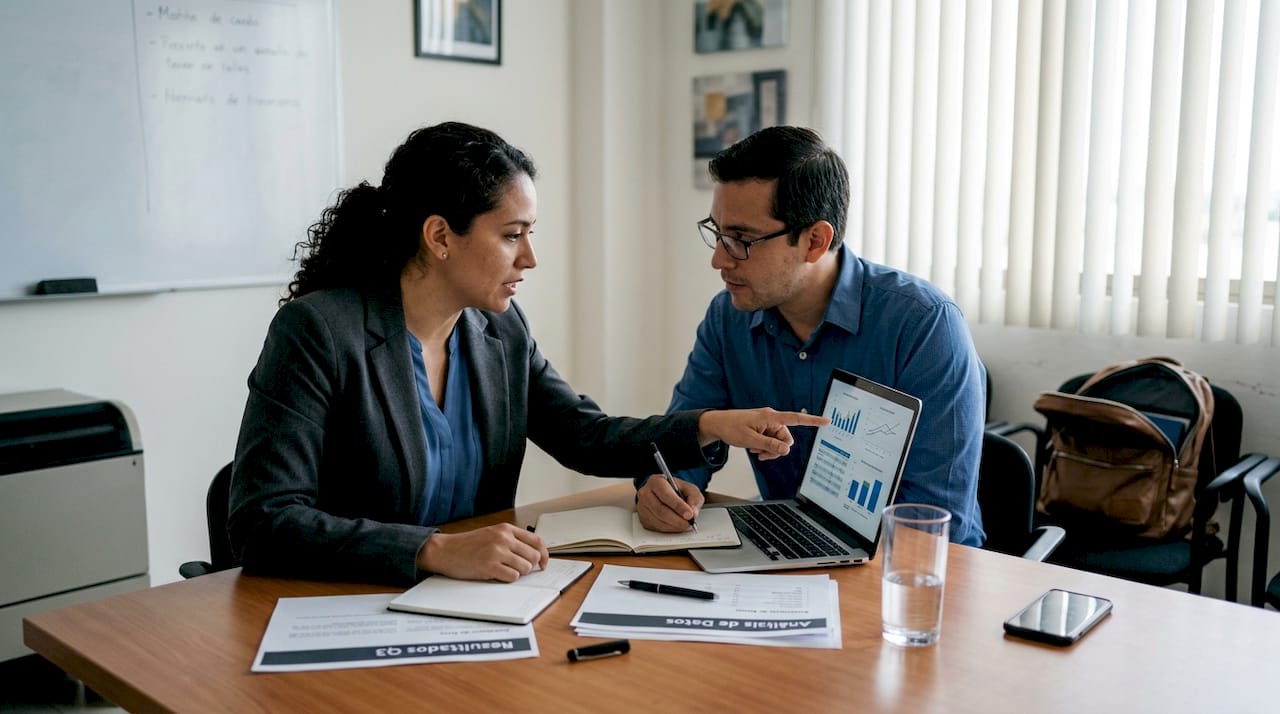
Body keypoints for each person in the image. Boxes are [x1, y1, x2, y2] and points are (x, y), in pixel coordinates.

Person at [227, 122, 826, 587]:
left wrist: (709, 426)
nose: (530, 258)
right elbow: (263, 522)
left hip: (471, 604)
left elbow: (585, 436)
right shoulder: (318, 332)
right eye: (512, 235)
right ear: (440, 237)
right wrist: (432, 550)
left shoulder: (499, 331)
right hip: (344, 601)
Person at [636, 125, 987, 546]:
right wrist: (666, 487)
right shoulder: (727, 319)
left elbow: (936, 523)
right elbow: (682, 438)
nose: (718, 259)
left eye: (741, 239)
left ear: (815, 241)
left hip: (902, 568)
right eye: (718, 233)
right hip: (787, 544)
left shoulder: (923, 325)